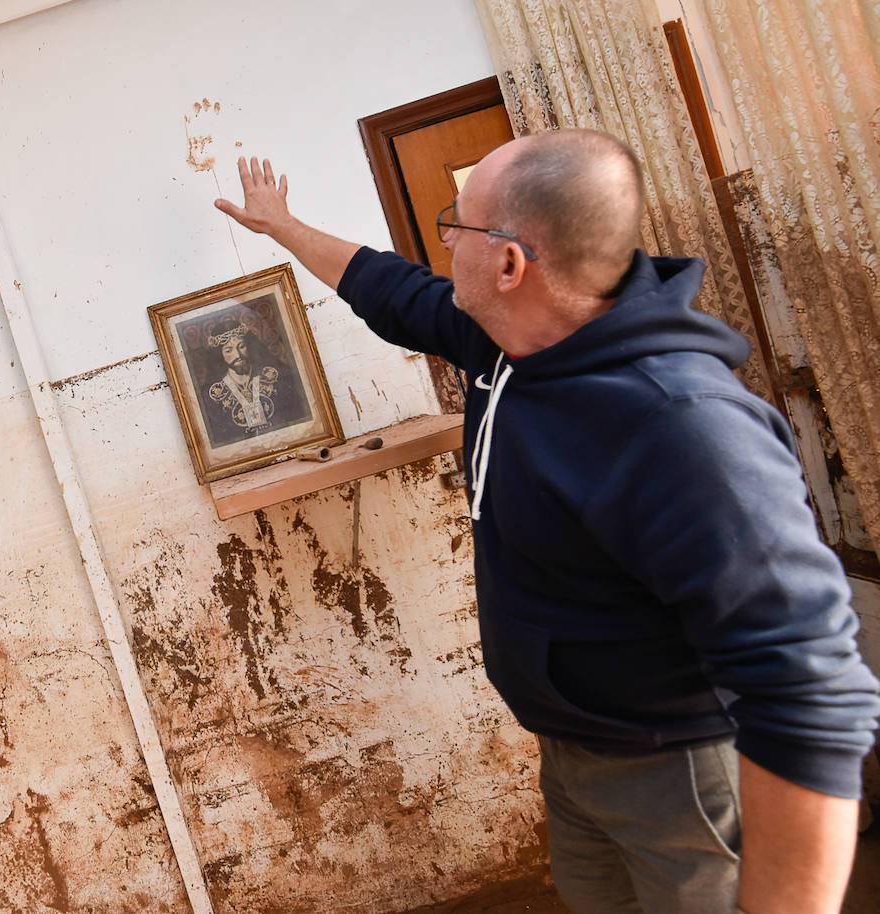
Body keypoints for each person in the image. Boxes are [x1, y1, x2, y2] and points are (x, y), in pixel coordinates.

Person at [213, 134, 880, 914]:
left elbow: (809, 692)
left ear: (508, 264)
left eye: (455, 226)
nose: (446, 242)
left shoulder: (683, 426)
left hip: (683, 768)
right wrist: (282, 226)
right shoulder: (510, 343)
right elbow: (391, 292)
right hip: (576, 755)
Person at [202, 316, 301, 444]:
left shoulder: (279, 377)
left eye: (241, 346)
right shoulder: (210, 397)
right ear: (220, 355)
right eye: (228, 350)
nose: (237, 355)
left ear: (248, 345)